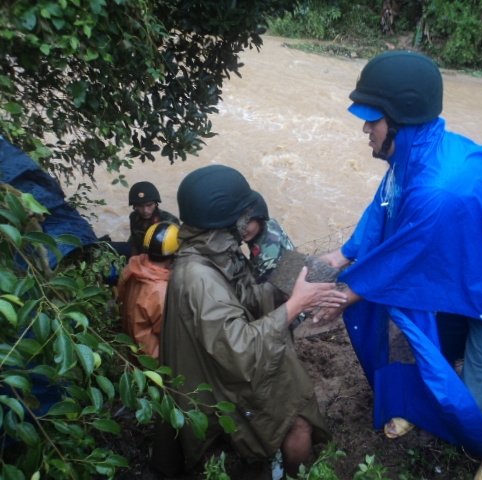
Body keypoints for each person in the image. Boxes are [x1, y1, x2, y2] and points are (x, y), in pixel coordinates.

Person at [315, 51, 482, 480]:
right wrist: (346, 252)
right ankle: (421, 405)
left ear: (400, 120)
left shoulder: (438, 188)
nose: (365, 130)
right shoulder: (416, 153)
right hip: (469, 277)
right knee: (419, 340)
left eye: (372, 120)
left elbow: (403, 257)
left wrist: (344, 295)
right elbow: (386, 205)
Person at [156, 165, 347, 477]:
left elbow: (241, 300)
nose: (248, 220)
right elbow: (238, 351)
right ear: (225, 219)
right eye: (243, 214)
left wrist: (282, 291)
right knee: (298, 421)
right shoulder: (199, 276)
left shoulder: (212, 252)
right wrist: (296, 304)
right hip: (219, 381)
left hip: (218, 368)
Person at [118, 221, 179, 360]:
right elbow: (167, 334)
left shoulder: (131, 267)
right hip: (152, 356)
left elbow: (120, 298)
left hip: (131, 345)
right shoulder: (161, 291)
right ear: (174, 253)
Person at [242, 191, 295, 284]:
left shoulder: (268, 260)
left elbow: (256, 290)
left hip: (280, 282)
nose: (242, 230)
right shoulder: (270, 222)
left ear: (259, 219)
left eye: (247, 223)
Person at [127, 181, 180, 256]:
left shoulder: (169, 221)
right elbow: (134, 242)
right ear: (134, 206)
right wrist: (133, 261)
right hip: (141, 256)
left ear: (156, 203)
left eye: (149, 205)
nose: (145, 210)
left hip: (162, 259)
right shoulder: (134, 217)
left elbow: (176, 249)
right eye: (140, 206)